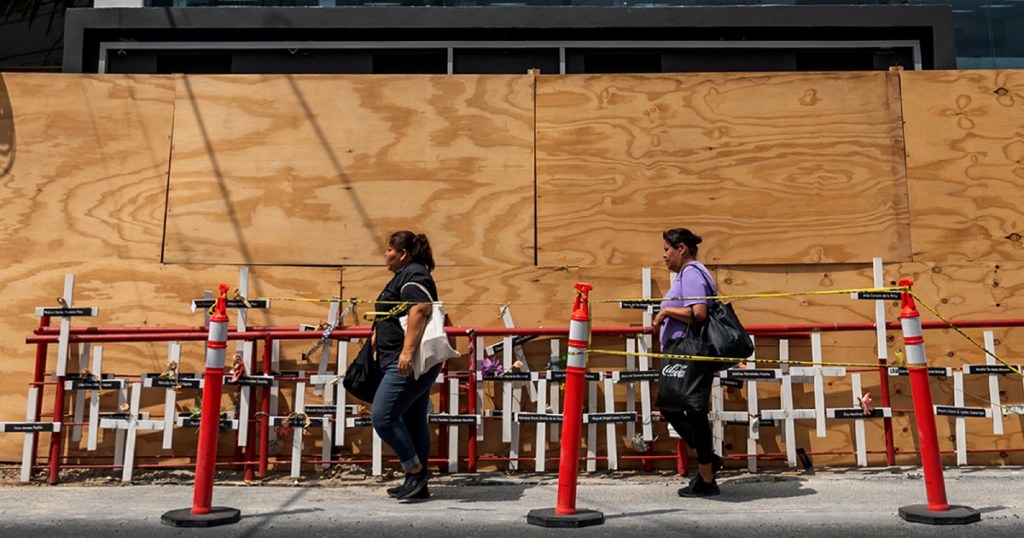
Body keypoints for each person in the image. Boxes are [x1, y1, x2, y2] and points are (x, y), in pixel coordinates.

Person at [370, 230, 443, 501]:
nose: (385, 255)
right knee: (413, 420)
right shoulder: (406, 275)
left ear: (403, 253)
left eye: (389, 249)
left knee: (383, 416)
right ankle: (418, 485)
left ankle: (415, 470)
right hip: (402, 361)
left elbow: (421, 308)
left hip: (407, 363)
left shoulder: (414, 274)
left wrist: (407, 352)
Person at [652, 227, 725, 497]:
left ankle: (707, 475)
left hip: (689, 353)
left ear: (681, 248)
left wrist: (666, 312)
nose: (664, 256)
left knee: (687, 412)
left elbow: (699, 312)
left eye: (666, 249)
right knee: (679, 409)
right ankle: (709, 465)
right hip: (685, 353)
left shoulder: (692, 273)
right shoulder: (690, 273)